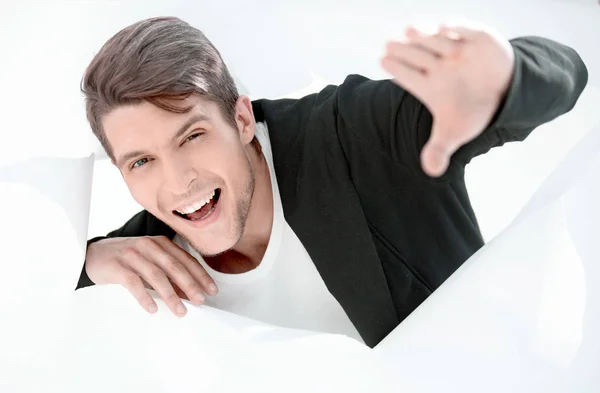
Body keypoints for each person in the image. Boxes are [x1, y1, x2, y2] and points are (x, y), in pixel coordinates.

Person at [76, 16, 588, 347]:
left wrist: (505, 80)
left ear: (242, 119)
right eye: (141, 162)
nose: (179, 182)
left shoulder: (353, 134)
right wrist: (82, 260)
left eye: (192, 136)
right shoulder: (142, 252)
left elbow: (561, 75)